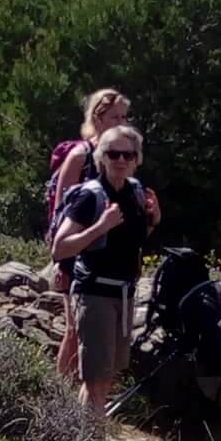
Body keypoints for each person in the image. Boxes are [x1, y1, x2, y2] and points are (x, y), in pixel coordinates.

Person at [48, 90, 159, 382]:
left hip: (113, 266)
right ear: (97, 118)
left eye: (125, 116)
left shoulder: (126, 162)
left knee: (91, 344)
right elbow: (60, 214)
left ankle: (75, 398)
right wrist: (62, 265)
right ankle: (61, 399)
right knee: (75, 331)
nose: (122, 122)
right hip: (79, 261)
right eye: (115, 116)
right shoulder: (80, 156)